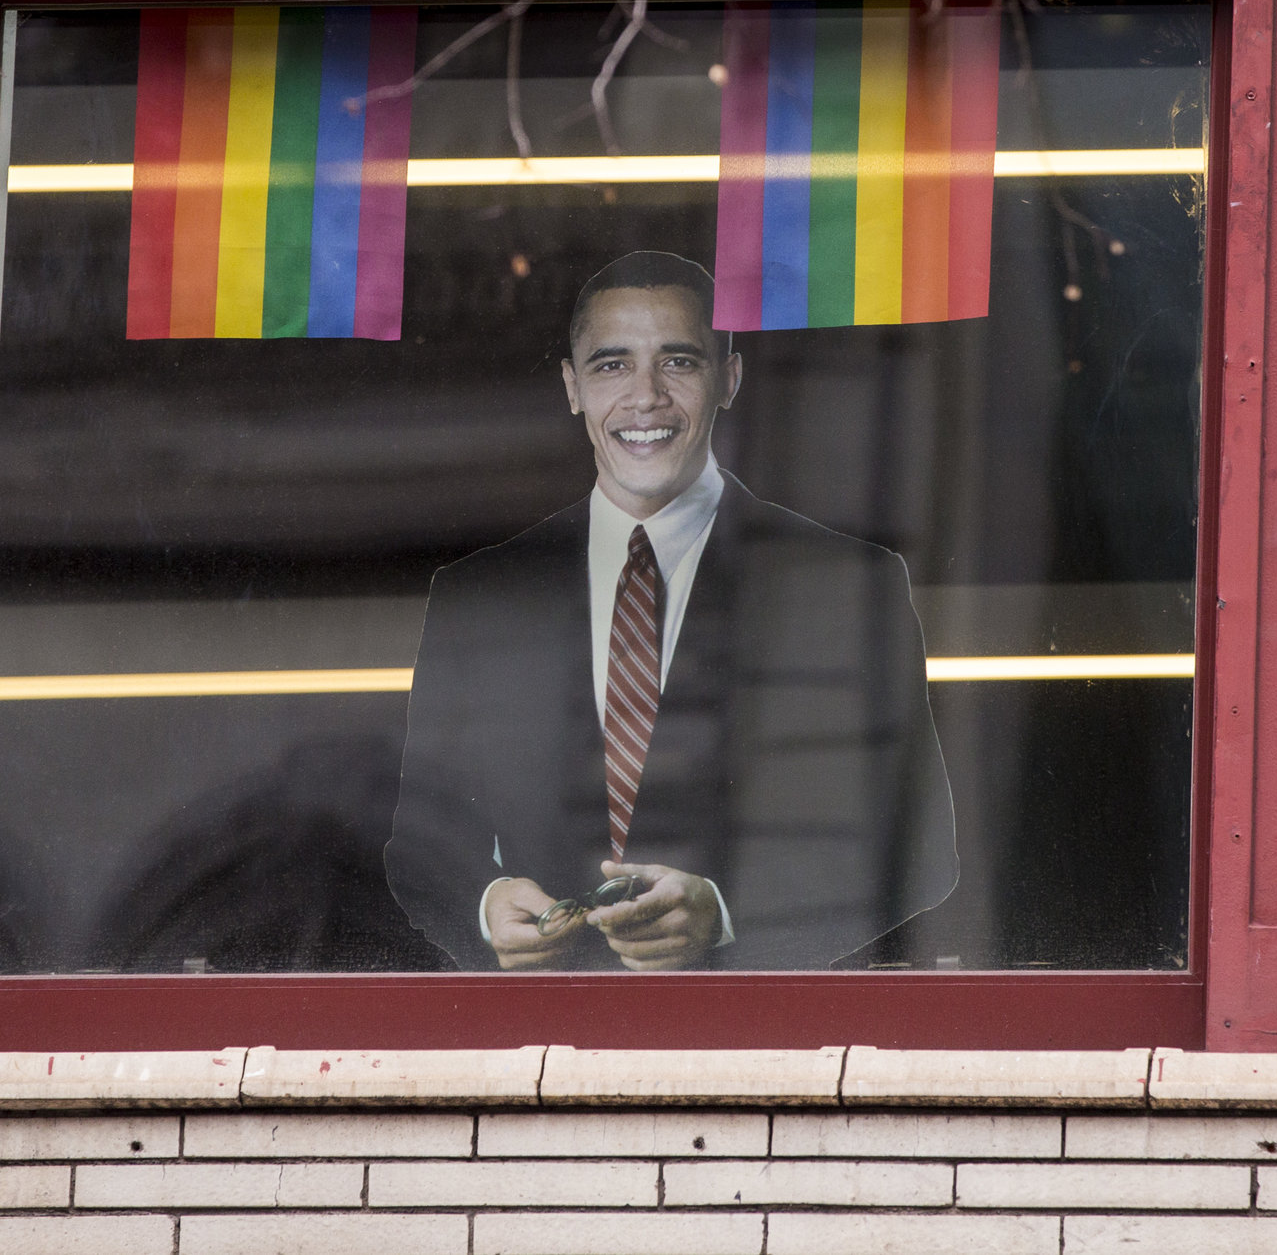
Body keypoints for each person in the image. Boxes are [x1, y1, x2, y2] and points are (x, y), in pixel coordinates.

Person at [383, 251, 958, 970]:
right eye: (611, 365)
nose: (646, 397)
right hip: (537, 1049)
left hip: (757, 1052)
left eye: (679, 362)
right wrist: (483, 901)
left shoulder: (851, 585)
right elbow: (415, 847)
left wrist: (723, 914)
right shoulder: (480, 596)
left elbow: (922, 857)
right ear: (572, 387)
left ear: (730, 379)